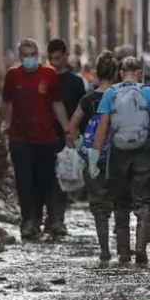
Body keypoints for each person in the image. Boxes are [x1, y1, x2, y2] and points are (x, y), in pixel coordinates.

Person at [88, 57, 150, 264]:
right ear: (140, 72)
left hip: (118, 152)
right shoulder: (149, 92)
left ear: (120, 73)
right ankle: (141, 247)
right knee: (144, 201)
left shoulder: (110, 93)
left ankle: (124, 252)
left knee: (121, 202)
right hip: (144, 150)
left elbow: (103, 128)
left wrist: (94, 156)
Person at [0, 39, 73, 241]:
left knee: (45, 180)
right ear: (20, 57)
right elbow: (6, 104)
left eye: (32, 54)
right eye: (25, 55)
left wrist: (68, 129)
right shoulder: (13, 76)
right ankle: (29, 221)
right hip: (20, 138)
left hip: (46, 139)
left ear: (38, 55)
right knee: (24, 182)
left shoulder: (49, 75)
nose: (29, 58)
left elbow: (57, 104)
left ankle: (49, 219)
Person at [68, 51, 118, 261]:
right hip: (119, 157)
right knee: (121, 204)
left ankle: (105, 248)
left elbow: (72, 128)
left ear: (96, 73)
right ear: (116, 73)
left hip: (93, 159)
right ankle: (125, 249)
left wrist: (81, 148)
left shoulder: (87, 100)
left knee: (99, 205)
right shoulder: (119, 96)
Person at [45, 39, 88, 235]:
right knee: (44, 178)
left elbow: (82, 110)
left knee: (61, 178)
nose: (55, 62)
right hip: (44, 134)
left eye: (58, 58)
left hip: (66, 136)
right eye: (51, 58)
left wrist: (76, 133)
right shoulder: (43, 79)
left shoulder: (75, 82)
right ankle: (47, 216)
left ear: (65, 56)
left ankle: (57, 219)